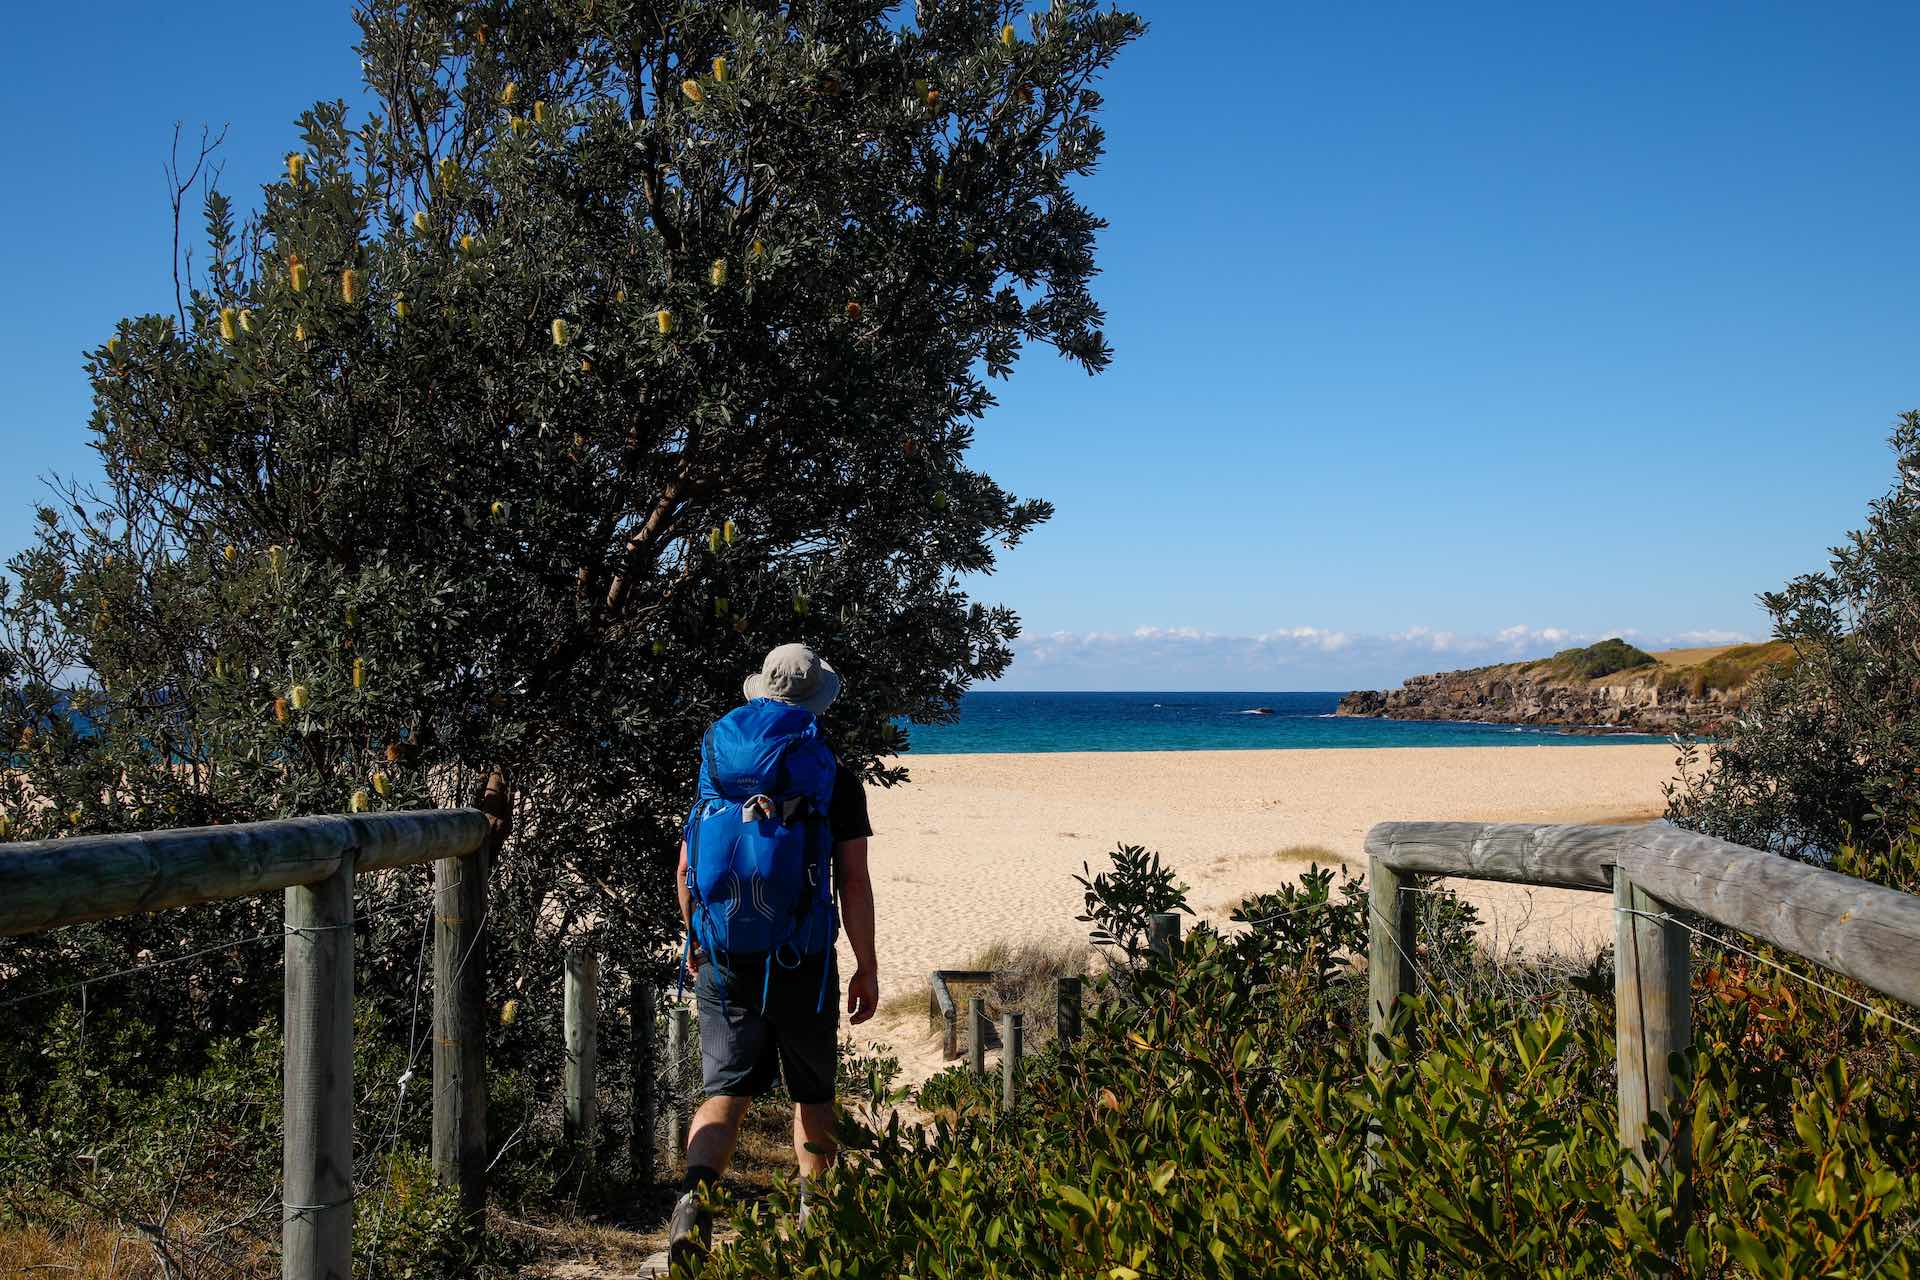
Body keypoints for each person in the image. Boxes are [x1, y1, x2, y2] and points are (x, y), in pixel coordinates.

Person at [667, 644, 879, 1268]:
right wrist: (866, 964)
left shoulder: (717, 768)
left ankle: (691, 1212)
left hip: (725, 950)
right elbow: (855, 883)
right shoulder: (833, 777)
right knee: (811, 1098)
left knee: (724, 1092)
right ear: (816, 702)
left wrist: (699, 942)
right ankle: (818, 1232)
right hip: (803, 958)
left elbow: (686, 867)